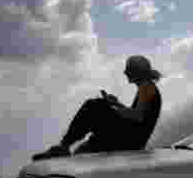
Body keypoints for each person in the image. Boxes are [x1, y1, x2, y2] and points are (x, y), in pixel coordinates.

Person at [32, 56, 163, 161]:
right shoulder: (147, 87)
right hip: (133, 138)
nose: (125, 72)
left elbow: (137, 116)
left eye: (128, 69)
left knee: (94, 106)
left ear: (137, 71)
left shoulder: (146, 87)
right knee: (98, 107)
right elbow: (139, 115)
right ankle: (66, 146)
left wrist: (112, 108)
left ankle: (63, 146)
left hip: (131, 141)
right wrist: (116, 104)